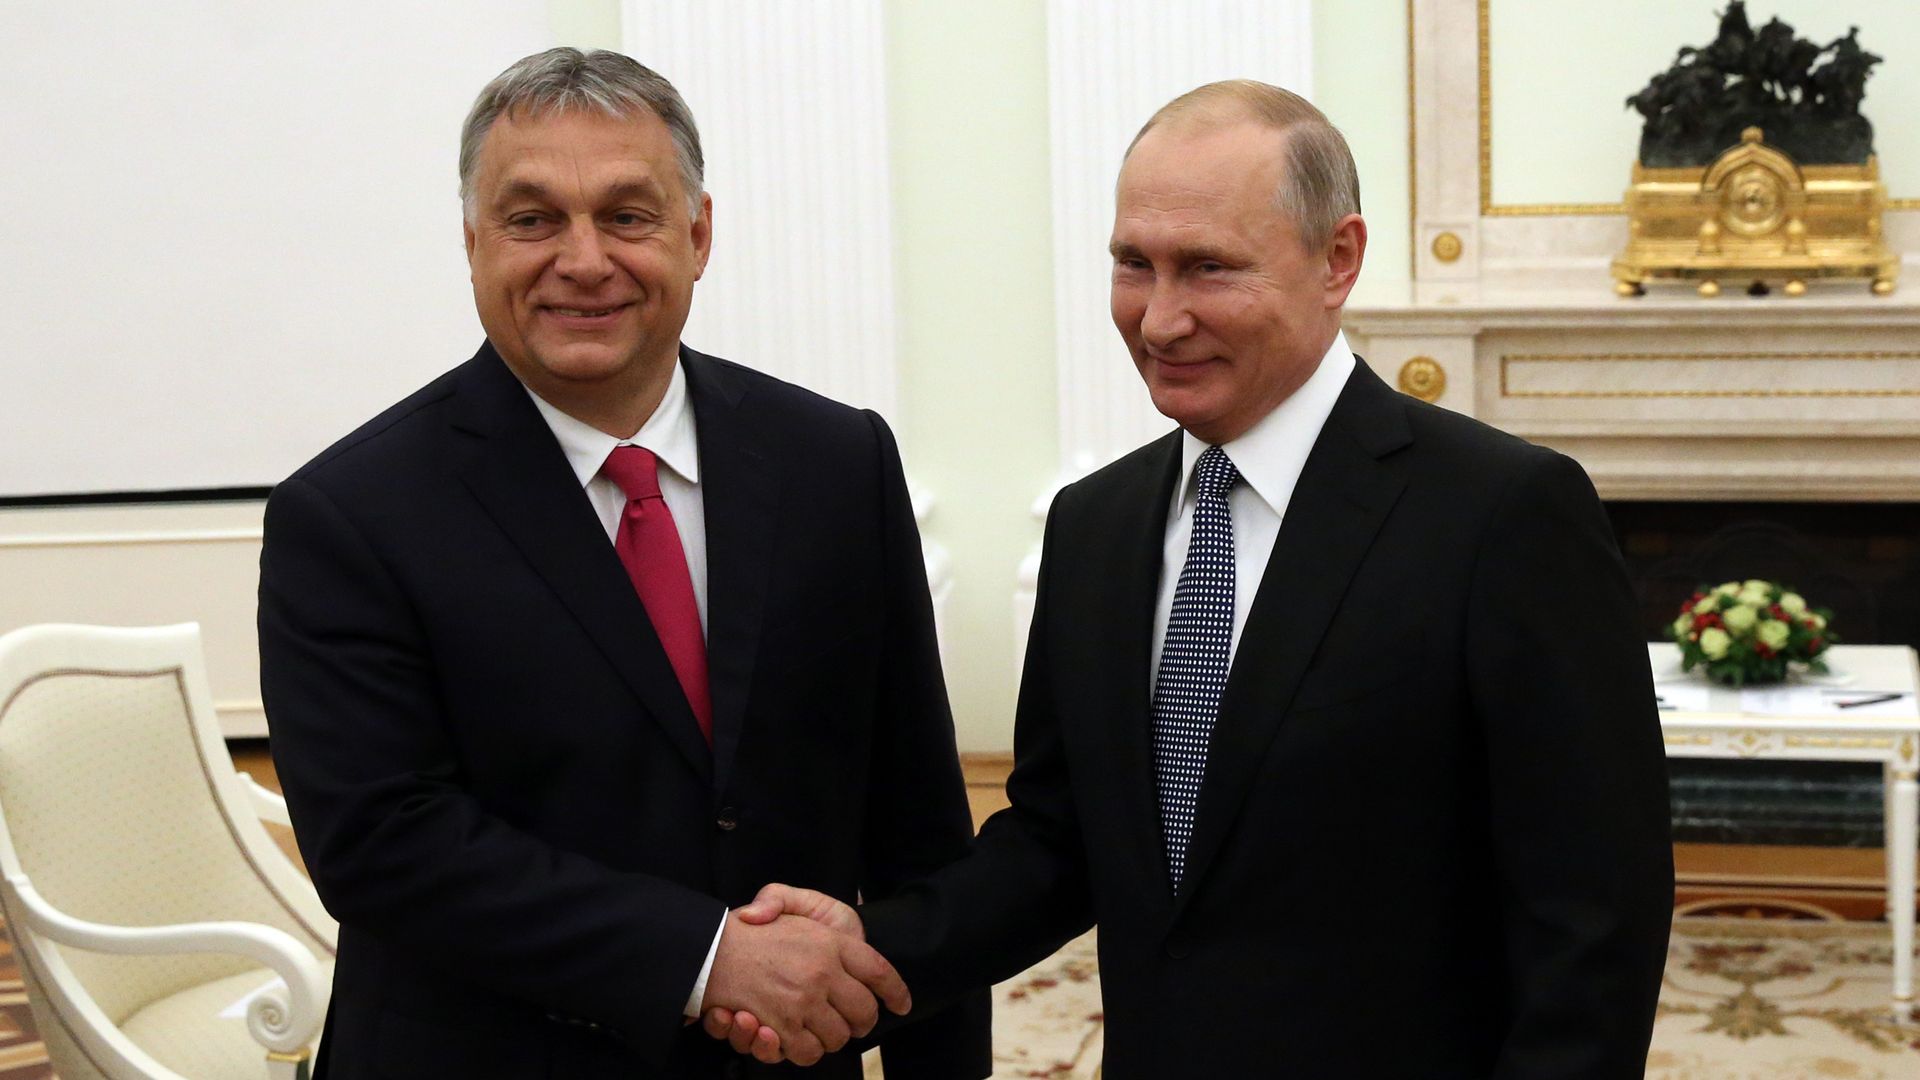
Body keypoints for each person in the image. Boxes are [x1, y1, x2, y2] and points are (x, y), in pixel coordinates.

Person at [716, 80, 1674, 1077]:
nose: (1161, 319)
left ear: (1338, 259)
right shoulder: (1093, 527)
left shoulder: (1504, 515)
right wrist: (871, 948)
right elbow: (1060, 842)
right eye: (1135, 264)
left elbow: (1595, 917)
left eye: (1209, 268)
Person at [257, 47, 987, 1079]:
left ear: (698, 234)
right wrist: (705, 958)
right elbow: (384, 845)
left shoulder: (837, 462)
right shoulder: (350, 515)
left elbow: (914, 815)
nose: (584, 259)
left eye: (627, 216)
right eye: (532, 219)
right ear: (472, 242)